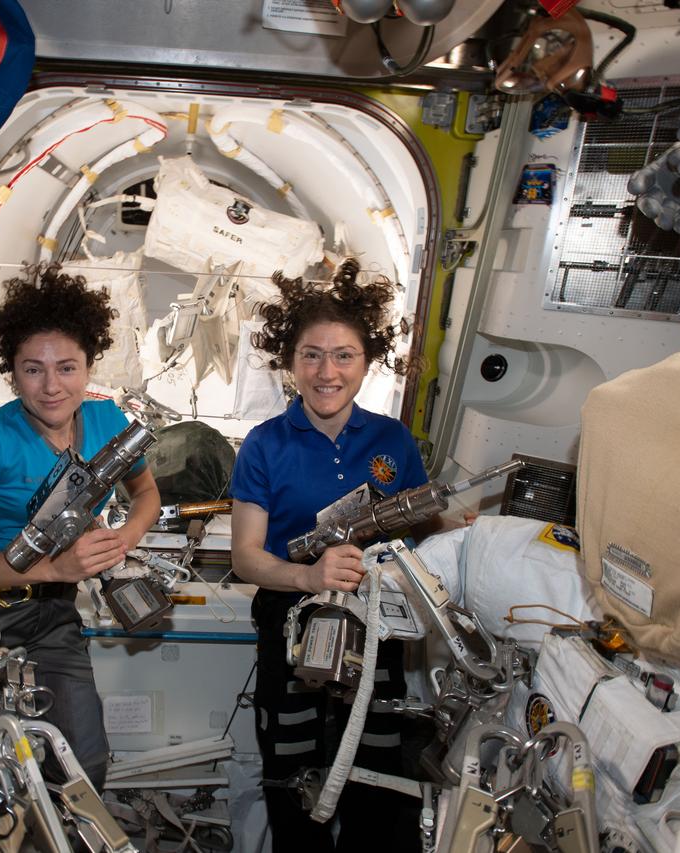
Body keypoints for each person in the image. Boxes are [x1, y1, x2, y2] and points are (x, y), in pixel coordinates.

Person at [229, 260, 431, 852]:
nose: (327, 371)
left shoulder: (392, 440)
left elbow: (417, 525)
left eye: (344, 355)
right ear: (290, 362)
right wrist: (309, 575)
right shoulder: (264, 444)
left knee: (376, 775)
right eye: (311, 355)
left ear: (367, 362)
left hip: (375, 629)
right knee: (293, 775)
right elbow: (245, 557)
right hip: (289, 625)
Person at [0, 265, 161, 791]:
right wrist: (58, 564)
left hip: (54, 615)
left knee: (82, 766)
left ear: (89, 367)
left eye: (67, 367)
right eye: (33, 369)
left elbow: (146, 494)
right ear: (11, 372)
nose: (52, 386)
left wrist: (121, 543)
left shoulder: (108, 424)